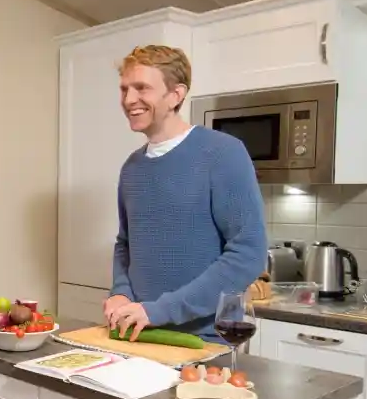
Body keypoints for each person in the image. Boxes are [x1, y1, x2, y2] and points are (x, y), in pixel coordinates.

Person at [104, 45, 267, 342]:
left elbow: (248, 254)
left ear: (176, 95)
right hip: (137, 335)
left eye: (141, 88)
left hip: (204, 341)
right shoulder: (132, 167)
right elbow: (125, 245)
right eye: (124, 89)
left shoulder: (222, 153)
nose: (129, 100)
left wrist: (161, 310)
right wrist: (120, 294)